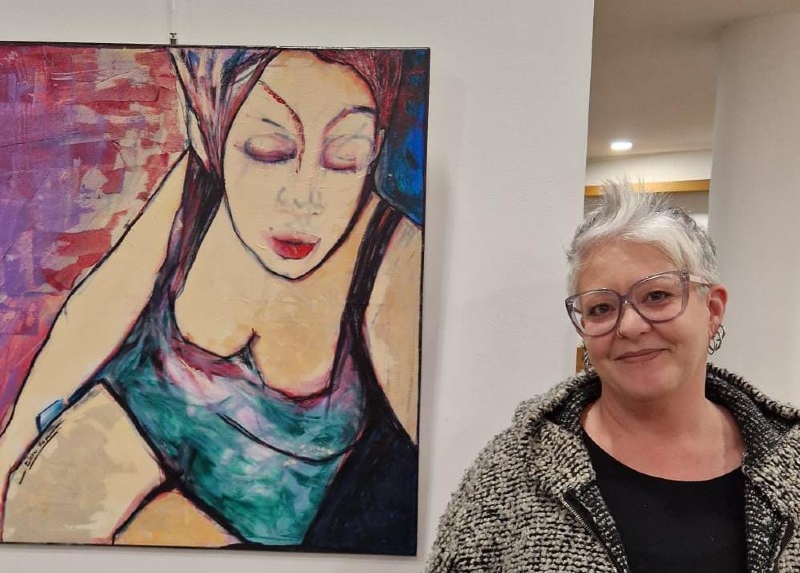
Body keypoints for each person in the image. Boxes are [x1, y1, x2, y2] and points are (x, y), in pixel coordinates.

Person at [0, 47, 424, 555]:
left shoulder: (396, 259)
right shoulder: (198, 183)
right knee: (36, 513)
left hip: (248, 505)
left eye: (345, 157)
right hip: (135, 414)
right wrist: (8, 450)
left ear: (375, 149)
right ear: (208, 135)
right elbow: (97, 311)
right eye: (269, 150)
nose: (304, 198)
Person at [426, 182, 800, 572]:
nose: (630, 326)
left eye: (657, 296)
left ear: (713, 310)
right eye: (602, 308)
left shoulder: (790, 462)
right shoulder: (514, 468)